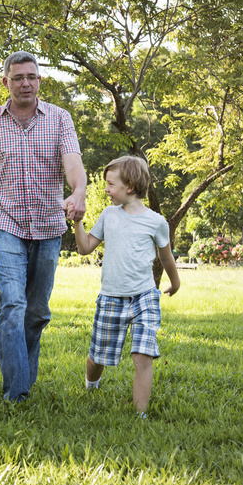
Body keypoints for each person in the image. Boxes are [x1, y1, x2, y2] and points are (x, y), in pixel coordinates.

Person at [0, 51, 87, 402]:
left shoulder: (60, 119)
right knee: (13, 303)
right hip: (5, 223)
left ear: (40, 80)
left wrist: (78, 192)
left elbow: (73, 165)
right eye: (17, 78)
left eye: (31, 76)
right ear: (5, 82)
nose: (25, 83)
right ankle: (16, 393)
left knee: (36, 312)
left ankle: (23, 381)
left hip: (49, 226)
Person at [73, 156, 180, 418]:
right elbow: (85, 248)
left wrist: (175, 282)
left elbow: (166, 257)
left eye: (110, 184)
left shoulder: (156, 221)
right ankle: (92, 383)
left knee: (143, 356)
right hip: (112, 297)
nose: (106, 189)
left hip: (144, 296)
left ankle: (139, 416)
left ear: (129, 186)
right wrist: (77, 221)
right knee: (99, 356)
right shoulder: (109, 215)